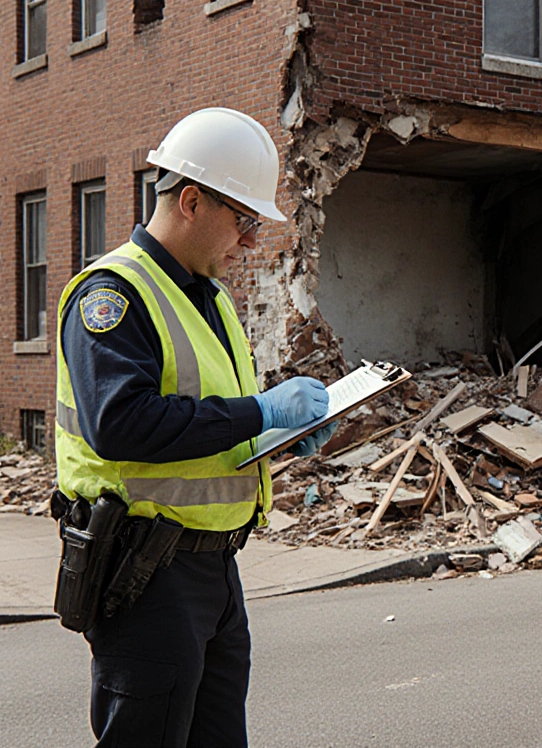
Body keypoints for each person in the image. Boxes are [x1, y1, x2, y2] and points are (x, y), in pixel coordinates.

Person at [54, 107, 337, 747]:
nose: (250, 242)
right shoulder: (115, 294)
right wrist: (263, 411)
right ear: (191, 201)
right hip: (145, 570)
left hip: (212, 572)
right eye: (242, 221)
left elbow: (203, 425)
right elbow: (121, 424)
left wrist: (273, 439)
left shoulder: (206, 296)